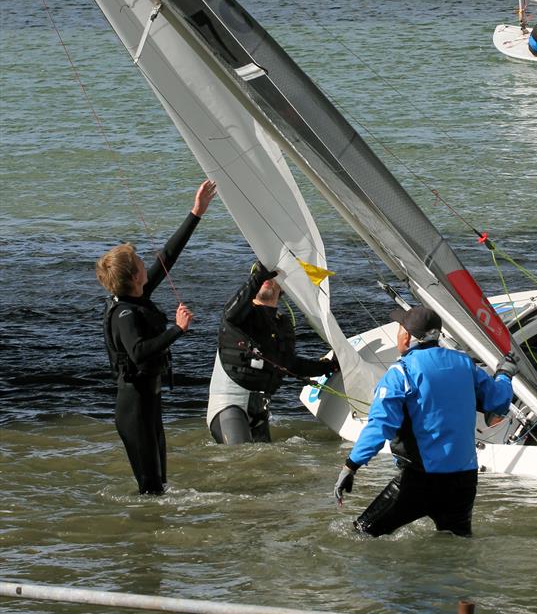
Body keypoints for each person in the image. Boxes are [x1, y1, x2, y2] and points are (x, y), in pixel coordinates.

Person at [333, 305, 514, 537]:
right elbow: (498, 402)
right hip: (464, 481)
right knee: (455, 546)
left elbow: (380, 427)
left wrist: (351, 466)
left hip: (420, 481)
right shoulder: (465, 364)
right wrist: (505, 375)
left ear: (407, 337)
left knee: (360, 535)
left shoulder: (401, 373)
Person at [96, 180, 217, 495]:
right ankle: (143, 540)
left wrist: (196, 212)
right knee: (150, 489)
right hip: (133, 405)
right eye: (139, 262)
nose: (144, 263)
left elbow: (167, 256)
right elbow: (138, 352)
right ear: (134, 276)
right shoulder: (125, 314)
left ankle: (155, 538)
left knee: (160, 485)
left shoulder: (137, 294)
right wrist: (176, 329)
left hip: (149, 400)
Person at [207, 260, 335, 444]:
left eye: (272, 278)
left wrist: (329, 366)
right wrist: (258, 276)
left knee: (266, 464)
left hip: (259, 411)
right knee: (243, 457)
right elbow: (230, 313)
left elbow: (290, 364)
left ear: (282, 288)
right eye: (262, 278)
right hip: (228, 406)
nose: (267, 280)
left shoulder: (283, 324)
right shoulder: (240, 315)